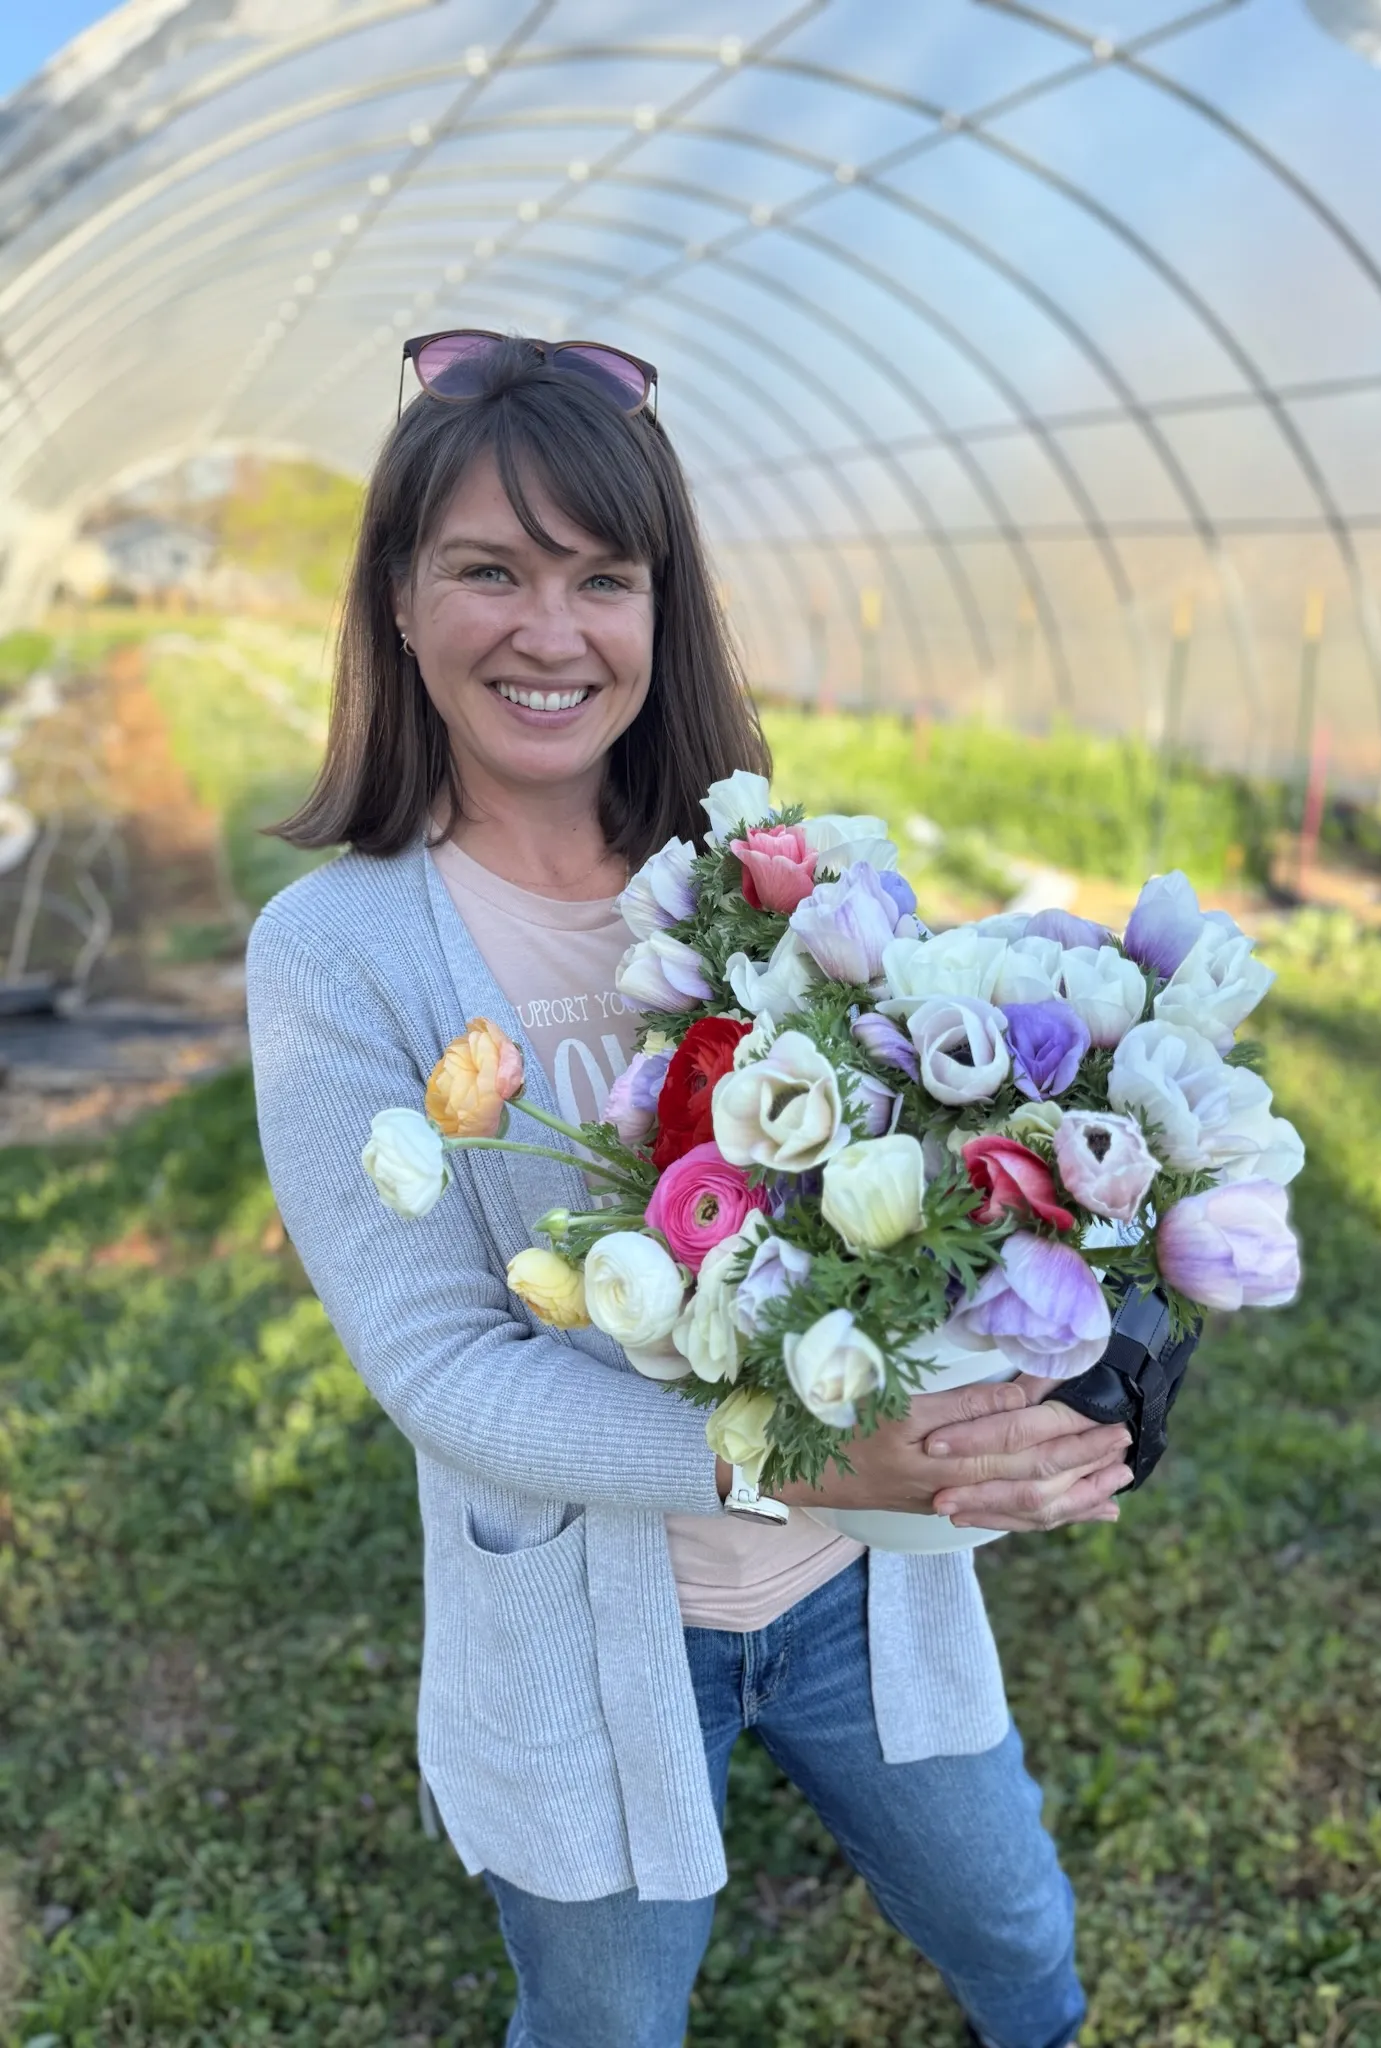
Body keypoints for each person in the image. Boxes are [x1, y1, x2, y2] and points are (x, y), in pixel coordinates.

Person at [246, 333, 1133, 2048]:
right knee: (601, 2021)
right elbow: (438, 1366)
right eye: (489, 572)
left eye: (603, 576)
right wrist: (774, 1452)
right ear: (404, 604)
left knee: (1017, 1935)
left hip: (862, 1581)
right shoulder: (339, 951)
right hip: (589, 1630)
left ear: (663, 608)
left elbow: (939, 1196)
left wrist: (1042, 1407)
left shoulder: (778, 885)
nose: (551, 631)